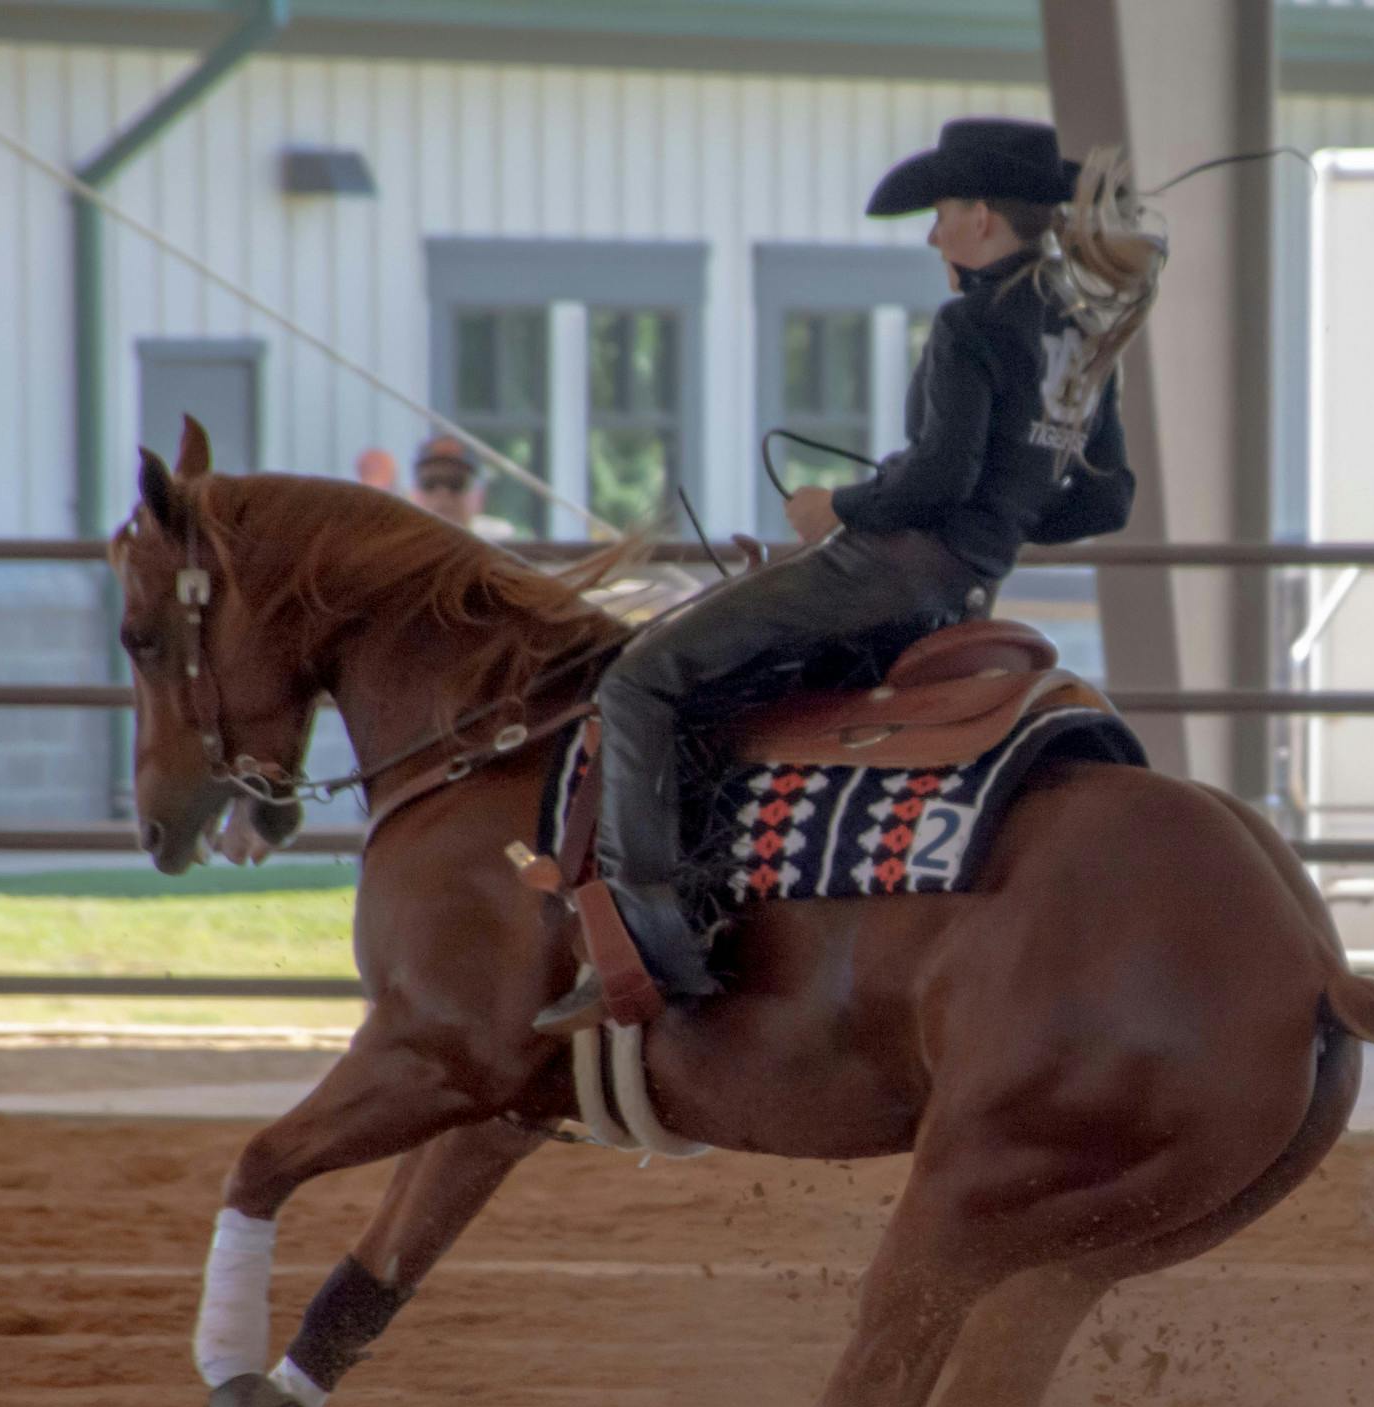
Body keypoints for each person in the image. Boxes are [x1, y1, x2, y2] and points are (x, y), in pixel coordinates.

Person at [536, 117, 1163, 1035]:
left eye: (944, 212)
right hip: (963, 593)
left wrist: (841, 507)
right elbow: (1101, 505)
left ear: (982, 218)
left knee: (640, 681)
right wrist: (1002, 514)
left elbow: (939, 475)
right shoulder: (1082, 336)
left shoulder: (968, 323)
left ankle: (650, 938)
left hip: (883, 576)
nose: (932, 233)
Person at [410, 433, 515, 540]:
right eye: (429, 483)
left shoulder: (496, 551)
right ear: (413, 495)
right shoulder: (395, 551)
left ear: (480, 497)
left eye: (456, 483)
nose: (442, 493)